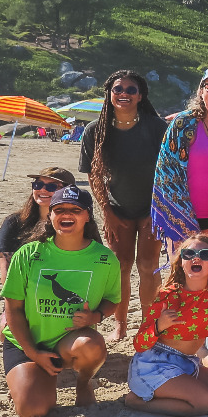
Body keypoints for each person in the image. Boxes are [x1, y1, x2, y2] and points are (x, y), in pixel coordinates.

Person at [0, 187, 121, 417]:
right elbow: (12, 309)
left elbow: (112, 300)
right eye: (59, 209)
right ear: (50, 215)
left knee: (92, 344)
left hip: (68, 343)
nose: (67, 214)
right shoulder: (27, 254)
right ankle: (34, 375)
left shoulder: (105, 259)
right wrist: (33, 353)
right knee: (31, 410)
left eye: (75, 210)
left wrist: (95, 317)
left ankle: (84, 383)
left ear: (87, 215)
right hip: (26, 342)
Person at [80, 70, 167, 338]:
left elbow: (170, 171)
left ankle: (147, 321)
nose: (124, 94)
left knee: (147, 265)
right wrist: (106, 211)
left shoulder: (156, 127)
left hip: (152, 208)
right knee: (121, 266)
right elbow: (93, 175)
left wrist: (159, 211)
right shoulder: (95, 130)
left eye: (131, 90)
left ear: (140, 96)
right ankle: (120, 324)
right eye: (118, 89)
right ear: (109, 94)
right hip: (117, 207)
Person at [125, 233, 208, 416]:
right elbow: (139, 344)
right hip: (155, 364)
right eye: (188, 254)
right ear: (181, 261)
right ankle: (137, 401)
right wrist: (158, 326)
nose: (196, 258)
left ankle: (168, 392)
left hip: (185, 362)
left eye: (204, 254)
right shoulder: (167, 295)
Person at [151, 67, 208, 249]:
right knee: (184, 274)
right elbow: (166, 171)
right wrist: (176, 216)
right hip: (180, 214)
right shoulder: (183, 124)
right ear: (201, 91)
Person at [0, 167, 75, 283]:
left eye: (52, 186)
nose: (42, 190)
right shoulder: (14, 222)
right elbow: (7, 270)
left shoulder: (78, 223)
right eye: (37, 185)